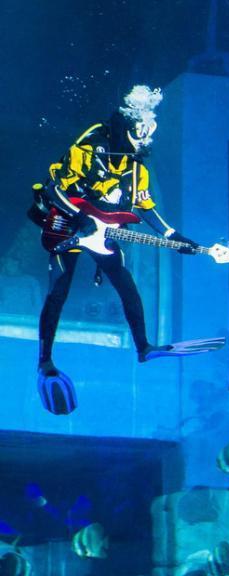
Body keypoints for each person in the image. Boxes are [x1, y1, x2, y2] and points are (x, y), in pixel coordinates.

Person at [32, 86, 218, 412]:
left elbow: (145, 207)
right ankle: (45, 360)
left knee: (127, 286)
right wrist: (78, 217)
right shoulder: (91, 146)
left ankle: (144, 347)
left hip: (101, 230)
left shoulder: (136, 169)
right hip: (69, 226)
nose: (145, 140)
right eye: (140, 131)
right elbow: (54, 188)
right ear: (127, 127)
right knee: (58, 290)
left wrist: (175, 235)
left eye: (148, 133)